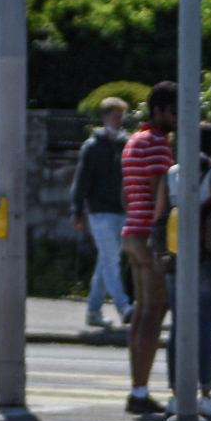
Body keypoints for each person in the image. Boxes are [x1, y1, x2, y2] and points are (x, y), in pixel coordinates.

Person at [150, 122, 211, 418]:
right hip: (209, 257)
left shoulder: (171, 174)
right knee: (204, 329)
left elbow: (159, 216)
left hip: (175, 258)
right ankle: (205, 393)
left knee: (179, 328)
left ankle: (177, 395)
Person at [118, 82, 178, 415]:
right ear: (158, 111)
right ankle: (139, 392)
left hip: (131, 231)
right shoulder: (157, 144)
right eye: (172, 112)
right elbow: (162, 193)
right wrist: (165, 237)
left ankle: (137, 387)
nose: (175, 118)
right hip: (150, 234)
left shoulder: (132, 142)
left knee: (142, 312)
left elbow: (127, 195)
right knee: (155, 312)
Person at [70, 96, 130, 329]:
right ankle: (124, 306)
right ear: (105, 117)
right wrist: (76, 210)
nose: (118, 120)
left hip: (120, 210)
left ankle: (93, 311)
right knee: (112, 260)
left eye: (121, 116)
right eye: (115, 116)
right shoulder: (93, 147)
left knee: (106, 261)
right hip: (99, 212)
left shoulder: (125, 145)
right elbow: (82, 180)